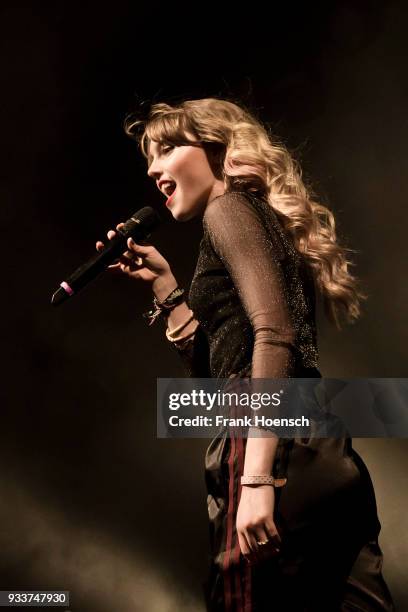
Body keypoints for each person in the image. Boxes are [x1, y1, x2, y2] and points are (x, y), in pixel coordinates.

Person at [96, 98, 395, 611]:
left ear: (217, 148)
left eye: (167, 148)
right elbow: (223, 374)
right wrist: (167, 288)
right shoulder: (256, 219)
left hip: (267, 447)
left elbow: (273, 334)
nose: (153, 168)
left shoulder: (227, 208)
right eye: (150, 157)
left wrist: (256, 479)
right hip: (323, 445)